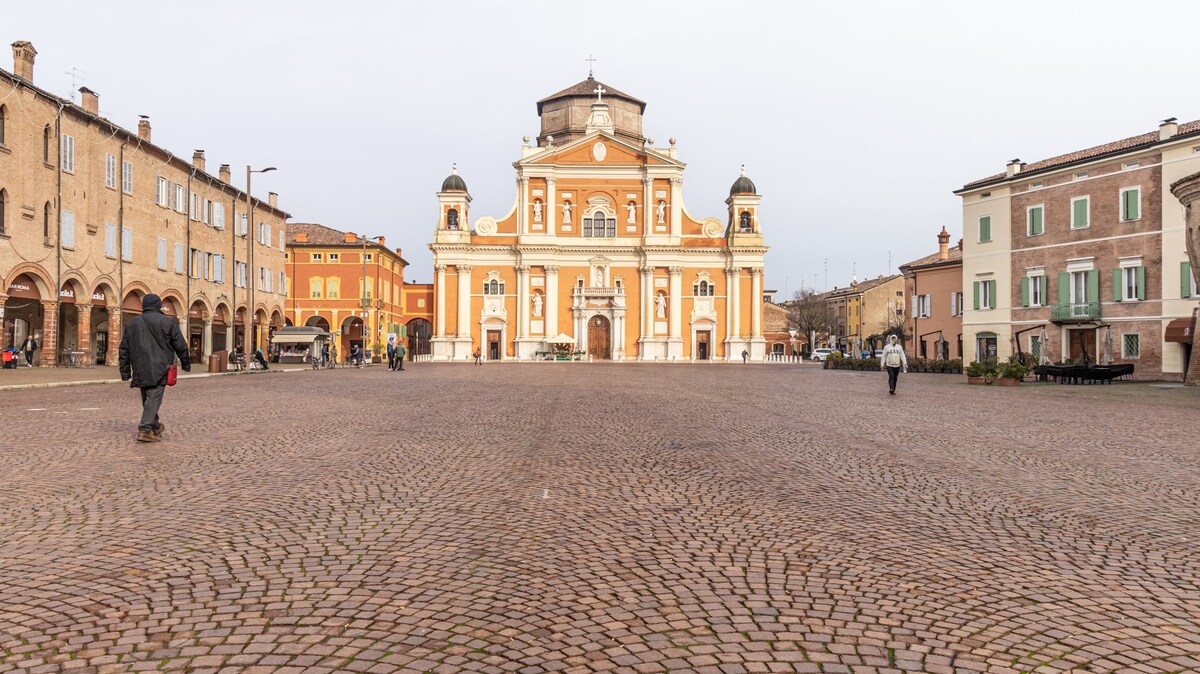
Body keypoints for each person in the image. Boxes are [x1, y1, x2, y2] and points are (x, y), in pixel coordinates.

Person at [118, 294, 190, 443]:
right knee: (153, 398)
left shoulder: (132, 324)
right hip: (160, 367)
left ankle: (155, 426)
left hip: (140, 367)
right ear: (158, 306)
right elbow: (181, 345)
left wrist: (125, 371)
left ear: (144, 306)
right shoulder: (167, 322)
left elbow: (124, 349)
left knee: (148, 398)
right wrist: (186, 363)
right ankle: (145, 429)